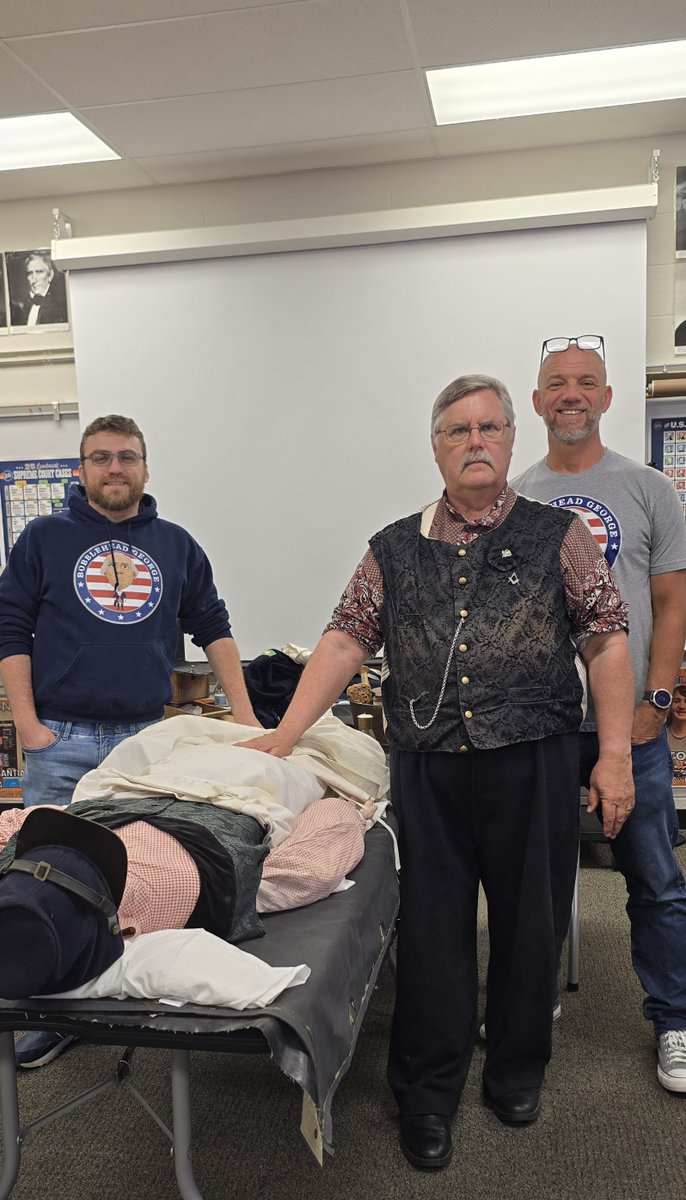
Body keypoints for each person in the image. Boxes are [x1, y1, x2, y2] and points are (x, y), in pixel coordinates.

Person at [240, 373, 635, 1170]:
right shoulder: (393, 545)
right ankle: (428, 1091)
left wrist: (618, 754)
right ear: (437, 446)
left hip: (537, 761)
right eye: (459, 430)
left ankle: (519, 1067)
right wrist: (282, 736)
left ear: (511, 440)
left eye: (489, 428)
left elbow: (607, 641)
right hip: (428, 769)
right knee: (430, 935)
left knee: (533, 926)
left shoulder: (562, 535)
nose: (476, 442)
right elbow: (346, 640)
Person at [0, 413, 260, 1066]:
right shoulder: (42, 539)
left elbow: (214, 626)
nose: (114, 468)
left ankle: (136, 1003)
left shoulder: (174, 545)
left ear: (146, 467)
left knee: (143, 876)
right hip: (60, 742)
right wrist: (29, 726)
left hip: (144, 745)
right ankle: (56, 1011)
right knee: (51, 879)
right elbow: (10, 631)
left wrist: (247, 716)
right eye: (100, 457)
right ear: (82, 470)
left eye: (127, 456)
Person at [512, 334, 686, 1096]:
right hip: (545, 730)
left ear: (608, 398)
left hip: (635, 730)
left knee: (655, 879)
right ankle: (531, 1003)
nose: (572, 393)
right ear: (538, 400)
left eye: (587, 381)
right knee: (534, 879)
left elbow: (673, 602)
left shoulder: (651, 489)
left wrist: (656, 703)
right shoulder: (517, 498)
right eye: (558, 383)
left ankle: (675, 1021)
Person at [10, 251, 69, 326]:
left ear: (50, 275)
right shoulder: (22, 306)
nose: (34, 279)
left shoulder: (61, 306)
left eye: (39, 272)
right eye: (30, 273)